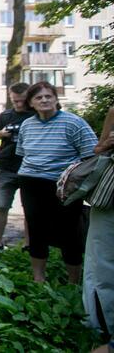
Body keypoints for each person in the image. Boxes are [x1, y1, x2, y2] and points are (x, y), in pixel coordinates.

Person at [15, 82, 97, 283]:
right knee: (36, 230)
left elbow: (91, 154)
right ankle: (39, 278)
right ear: (31, 103)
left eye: (48, 96)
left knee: (69, 232)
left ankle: (73, 280)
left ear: (56, 99)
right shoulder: (27, 125)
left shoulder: (74, 123)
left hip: (64, 186)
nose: (44, 100)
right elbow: (22, 153)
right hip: (31, 183)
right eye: (38, 98)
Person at [0, 82, 33, 255]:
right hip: (7, 167)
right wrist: (1, 134)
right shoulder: (5, 116)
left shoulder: (37, 115)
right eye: (15, 101)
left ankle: (29, 244)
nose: (19, 105)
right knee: (2, 206)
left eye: (22, 101)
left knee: (30, 208)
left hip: (31, 168)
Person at [85, 105, 114, 352]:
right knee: (102, 262)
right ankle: (103, 324)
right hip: (110, 198)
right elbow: (98, 150)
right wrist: (106, 145)